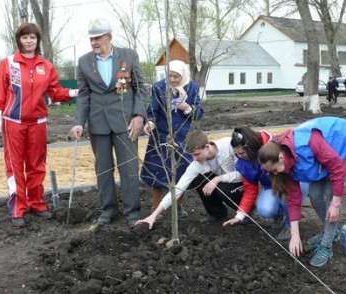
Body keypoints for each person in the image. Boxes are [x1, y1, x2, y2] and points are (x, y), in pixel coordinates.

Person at [0, 23, 78, 227]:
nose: (29, 41)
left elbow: (55, 93)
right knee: (15, 166)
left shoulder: (46, 66)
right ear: (18, 39)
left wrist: (75, 93)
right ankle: (17, 207)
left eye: (33, 37)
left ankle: (36, 203)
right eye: (24, 37)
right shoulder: (8, 63)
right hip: (13, 122)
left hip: (38, 123)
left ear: (38, 41)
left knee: (37, 165)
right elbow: (0, 92)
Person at [71, 18, 147, 227]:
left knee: (129, 168)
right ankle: (109, 210)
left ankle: (132, 212)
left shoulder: (129, 55)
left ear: (109, 37)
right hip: (98, 124)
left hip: (126, 123)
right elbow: (84, 95)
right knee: (103, 169)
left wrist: (139, 117)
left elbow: (139, 88)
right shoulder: (85, 61)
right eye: (91, 39)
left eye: (97, 38)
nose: (93, 42)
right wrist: (79, 122)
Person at [259, 117, 346, 267]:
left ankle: (326, 245)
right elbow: (294, 199)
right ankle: (330, 231)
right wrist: (295, 236)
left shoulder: (307, 144)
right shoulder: (285, 164)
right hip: (324, 153)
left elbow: (337, 168)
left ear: (281, 157)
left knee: (330, 194)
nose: (274, 174)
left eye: (274, 170)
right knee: (314, 195)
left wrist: (335, 203)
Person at [136, 130, 243, 229]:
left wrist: (218, 179)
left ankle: (246, 211)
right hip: (224, 182)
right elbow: (178, 189)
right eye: (192, 155)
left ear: (207, 147)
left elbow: (244, 175)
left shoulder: (229, 146)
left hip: (242, 184)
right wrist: (154, 215)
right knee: (198, 178)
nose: (194, 159)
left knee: (222, 188)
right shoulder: (197, 164)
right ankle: (218, 214)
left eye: (197, 154)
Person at [140, 60, 204, 218]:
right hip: (161, 135)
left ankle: (178, 206)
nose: (173, 80)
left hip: (183, 136)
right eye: (170, 76)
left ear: (182, 76)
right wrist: (150, 123)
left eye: (176, 76)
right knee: (157, 169)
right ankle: (155, 206)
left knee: (182, 171)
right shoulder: (158, 87)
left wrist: (187, 108)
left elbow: (199, 114)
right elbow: (152, 111)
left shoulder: (193, 88)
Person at [223, 127, 309, 241]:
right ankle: (280, 214)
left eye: (242, 153)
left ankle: (290, 224)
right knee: (265, 210)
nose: (240, 156)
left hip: (293, 180)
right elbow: (250, 190)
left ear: (250, 147)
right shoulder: (245, 162)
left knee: (286, 195)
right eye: (237, 154)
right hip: (271, 185)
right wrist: (239, 216)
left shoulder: (274, 144)